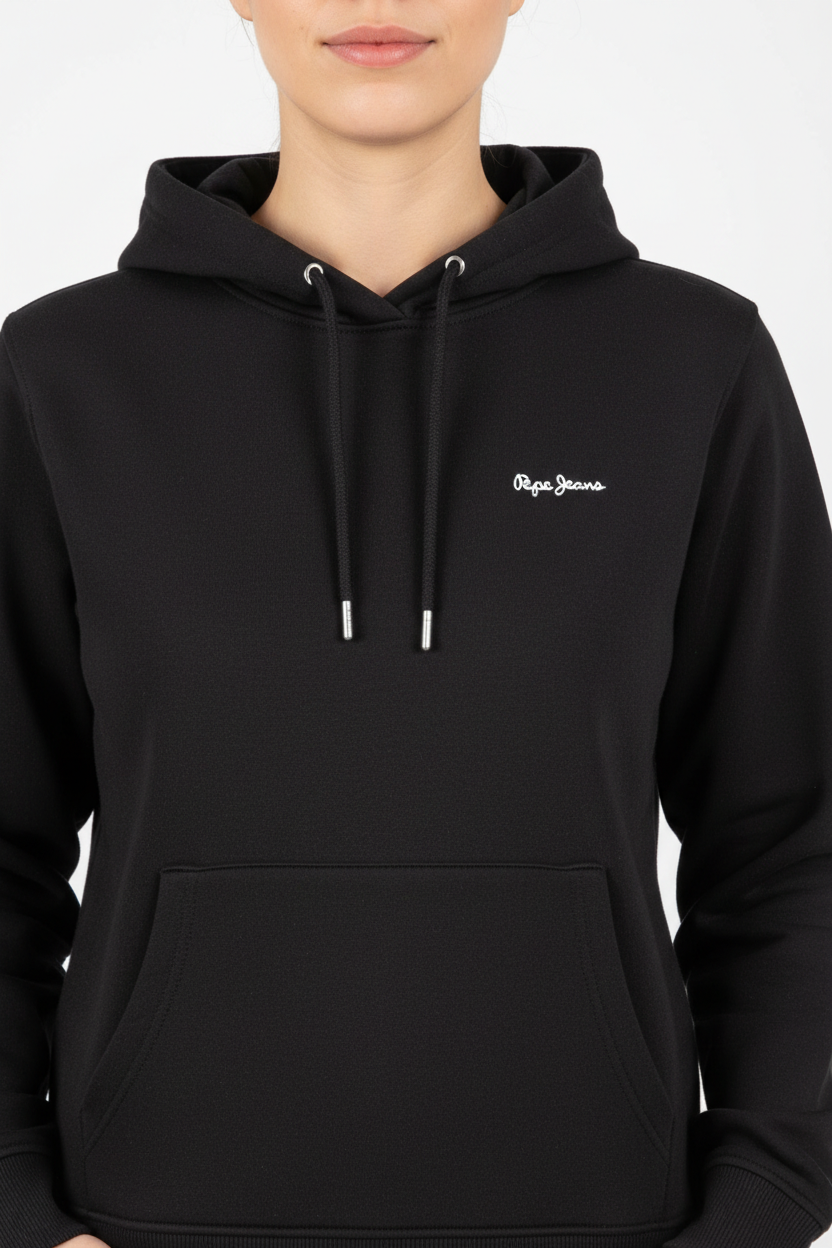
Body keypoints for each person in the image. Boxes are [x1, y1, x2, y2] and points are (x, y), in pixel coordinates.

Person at [2, 1, 832, 1247]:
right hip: (143, 1221)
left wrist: (764, 1203)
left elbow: (789, 834)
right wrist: (16, 1207)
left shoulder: (691, 359)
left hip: (601, 1221)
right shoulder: (63, 373)